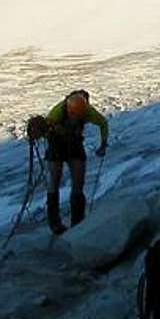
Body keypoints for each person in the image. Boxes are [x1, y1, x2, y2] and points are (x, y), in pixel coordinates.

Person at [43, 90, 108, 234]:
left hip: (74, 142)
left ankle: (77, 223)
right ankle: (56, 224)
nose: (74, 117)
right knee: (55, 180)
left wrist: (103, 144)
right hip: (57, 143)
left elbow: (103, 123)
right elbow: (47, 127)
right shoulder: (57, 111)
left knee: (78, 183)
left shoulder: (88, 111)